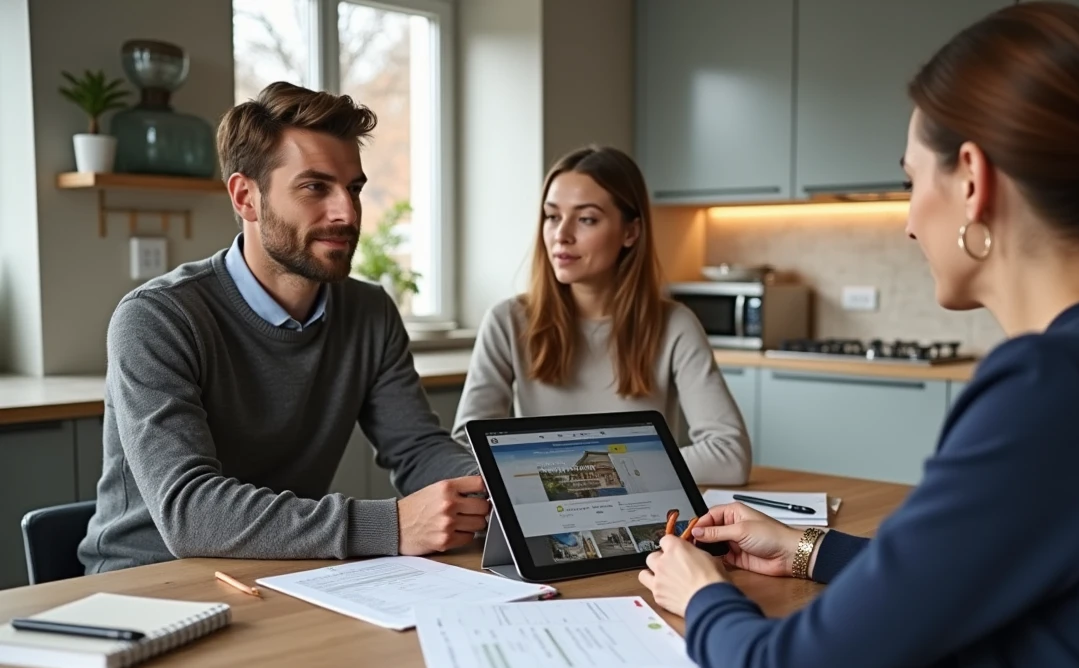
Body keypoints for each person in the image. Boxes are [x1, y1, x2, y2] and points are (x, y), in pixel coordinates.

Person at [639, 4, 1079, 668]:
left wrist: (702, 595)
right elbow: (987, 572)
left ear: (972, 179)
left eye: (910, 181)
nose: (907, 222)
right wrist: (806, 550)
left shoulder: (1049, 391)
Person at [80, 82, 488, 574]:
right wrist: (394, 525)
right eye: (316, 187)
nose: (347, 213)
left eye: (353, 188)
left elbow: (418, 449)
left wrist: (499, 488)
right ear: (246, 197)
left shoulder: (369, 313)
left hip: (288, 569)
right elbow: (189, 513)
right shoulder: (157, 318)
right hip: (147, 582)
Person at [451, 145, 751, 486]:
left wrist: (580, 476)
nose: (561, 235)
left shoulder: (675, 325)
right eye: (552, 216)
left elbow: (730, 456)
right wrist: (618, 471)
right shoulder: (506, 321)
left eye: (586, 219)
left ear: (630, 232)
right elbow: (465, 451)